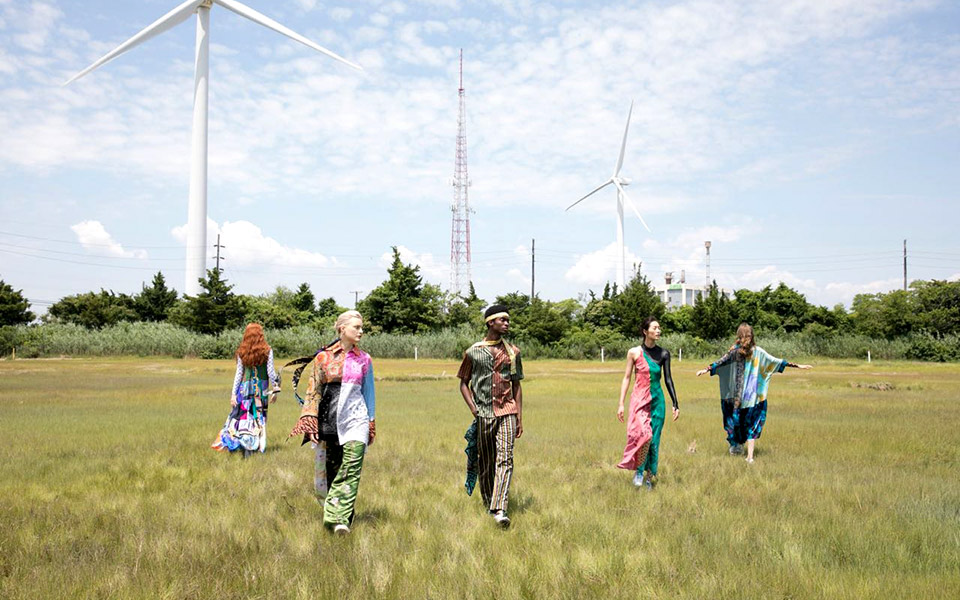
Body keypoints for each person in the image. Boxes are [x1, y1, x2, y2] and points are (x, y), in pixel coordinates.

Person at [290, 310, 376, 535]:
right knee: (332, 467)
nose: (361, 331)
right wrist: (310, 422)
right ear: (342, 329)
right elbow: (313, 391)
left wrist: (371, 422)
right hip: (329, 420)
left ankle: (336, 518)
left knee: (352, 467)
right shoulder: (323, 358)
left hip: (357, 419)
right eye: (356, 327)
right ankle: (341, 518)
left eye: (361, 327)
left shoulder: (364, 359)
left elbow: (369, 392)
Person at [696, 323, 812, 463]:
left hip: (753, 398)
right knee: (735, 425)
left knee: (752, 425)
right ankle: (736, 445)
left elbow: (774, 361)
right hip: (737, 399)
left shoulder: (758, 352)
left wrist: (798, 365)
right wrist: (706, 369)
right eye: (745, 336)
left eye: (749, 336)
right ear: (739, 337)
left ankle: (750, 457)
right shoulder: (734, 352)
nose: (747, 339)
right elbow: (720, 362)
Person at [458, 304, 524, 528]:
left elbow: (516, 385)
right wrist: (472, 407)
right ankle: (489, 503)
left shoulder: (513, 352)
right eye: (502, 320)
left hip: (507, 411)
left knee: (505, 458)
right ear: (490, 323)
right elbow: (463, 383)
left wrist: (519, 417)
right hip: (484, 414)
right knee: (486, 462)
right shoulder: (473, 352)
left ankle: (500, 509)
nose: (507, 323)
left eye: (508, 320)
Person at [617, 317, 680, 489]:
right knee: (644, 435)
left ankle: (649, 478)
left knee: (654, 441)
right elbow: (627, 378)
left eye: (659, 328)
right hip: (639, 400)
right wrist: (621, 403)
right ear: (645, 331)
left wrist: (675, 403)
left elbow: (668, 379)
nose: (658, 330)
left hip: (657, 402)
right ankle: (639, 471)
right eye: (655, 328)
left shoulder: (664, 354)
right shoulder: (634, 353)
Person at [212, 323, 280, 456]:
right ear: (260, 335)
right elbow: (271, 372)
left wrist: (233, 394)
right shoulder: (267, 350)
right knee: (259, 418)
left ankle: (242, 445)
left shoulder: (241, 351)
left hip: (245, 390)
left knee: (243, 418)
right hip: (262, 390)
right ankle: (258, 447)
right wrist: (276, 388)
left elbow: (239, 374)